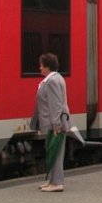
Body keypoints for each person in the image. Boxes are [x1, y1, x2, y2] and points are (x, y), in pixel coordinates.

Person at [30, 53, 71, 192]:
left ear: (47, 67)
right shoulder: (56, 78)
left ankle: (57, 183)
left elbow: (56, 105)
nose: (39, 67)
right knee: (52, 151)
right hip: (54, 123)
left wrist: (56, 125)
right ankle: (52, 181)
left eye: (41, 65)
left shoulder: (52, 81)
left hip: (56, 124)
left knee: (56, 152)